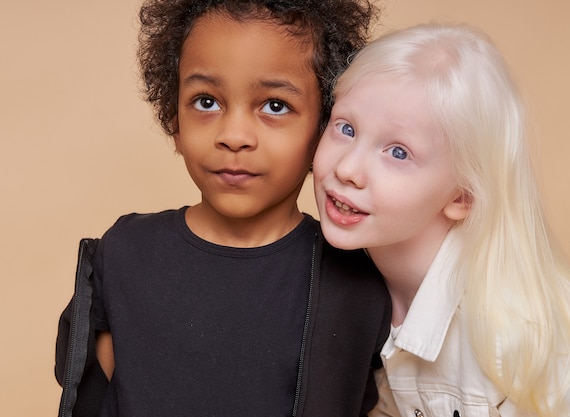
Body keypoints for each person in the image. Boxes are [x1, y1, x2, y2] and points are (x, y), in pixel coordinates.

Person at [55, 1, 392, 416]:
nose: (234, 136)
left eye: (274, 105)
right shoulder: (126, 253)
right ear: (173, 120)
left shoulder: (359, 281)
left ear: (323, 128)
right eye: (206, 102)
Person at [313, 23, 570, 417]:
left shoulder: (511, 336)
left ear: (462, 195)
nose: (348, 168)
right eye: (345, 128)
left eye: (398, 153)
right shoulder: (349, 288)